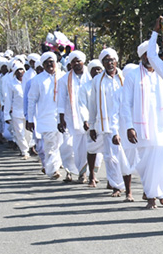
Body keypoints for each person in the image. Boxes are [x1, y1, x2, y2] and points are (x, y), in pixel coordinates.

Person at [122, 37, 163, 209]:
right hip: (142, 128)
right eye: (145, 55)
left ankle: (162, 194)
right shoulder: (132, 76)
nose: (149, 58)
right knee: (146, 164)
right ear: (141, 57)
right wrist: (129, 127)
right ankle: (151, 196)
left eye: (151, 55)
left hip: (162, 127)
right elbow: (126, 103)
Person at [85, 49, 132, 198]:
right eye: (106, 60)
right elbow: (92, 104)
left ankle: (130, 188)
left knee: (127, 157)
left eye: (112, 60)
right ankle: (116, 186)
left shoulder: (125, 77)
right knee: (111, 157)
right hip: (107, 125)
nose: (109, 63)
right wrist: (92, 125)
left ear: (117, 61)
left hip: (127, 123)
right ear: (102, 63)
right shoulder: (97, 80)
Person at [25, 52, 63, 178]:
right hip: (45, 118)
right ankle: (53, 170)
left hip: (62, 118)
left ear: (55, 63)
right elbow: (31, 100)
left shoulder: (62, 77)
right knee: (50, 145)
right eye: (46, 63)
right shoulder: (38, 80)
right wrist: (29, 119)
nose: (49, 64)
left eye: (51, 62)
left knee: (61, 145)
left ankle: (55, 167)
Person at [56, 51, 91, 182]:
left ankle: (91, 171)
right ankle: (82, 172)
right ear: (70, 63)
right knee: (76, 146)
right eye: (74, 61)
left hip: (92, 115)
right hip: (73, 117)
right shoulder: (64, 80)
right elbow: (61, 100)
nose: (76, 64)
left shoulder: (91, 75)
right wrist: (61, 119)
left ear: (83, 61)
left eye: (79, 61)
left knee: (93, 145)